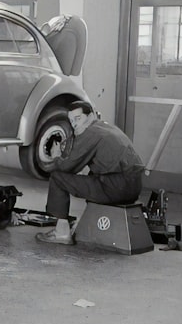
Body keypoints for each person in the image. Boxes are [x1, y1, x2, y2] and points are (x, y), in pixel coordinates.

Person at [36, 100, 146, 245]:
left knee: (58, 178)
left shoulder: (90, 133)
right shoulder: (105, 127)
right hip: (133, 187)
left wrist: (57, 155)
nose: (74, 124)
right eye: (71, 120)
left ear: (91, 116)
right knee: (92, 177)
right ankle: (83, 223)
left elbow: (66, 167)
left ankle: (61, 233)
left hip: (117, 188)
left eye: (78, 118)